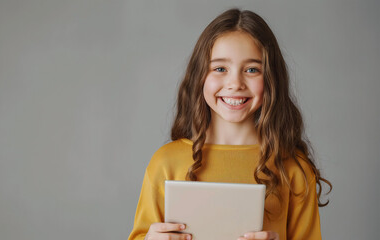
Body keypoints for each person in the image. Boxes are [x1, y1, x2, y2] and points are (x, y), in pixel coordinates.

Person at [128, 8, 331, 240]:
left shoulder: (294, 169)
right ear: (200, 76)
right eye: (220, 68)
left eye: (252, 69)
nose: (235, 83)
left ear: (272, 80)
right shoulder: (165, 163)